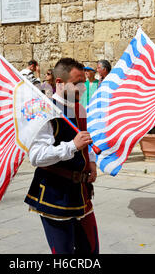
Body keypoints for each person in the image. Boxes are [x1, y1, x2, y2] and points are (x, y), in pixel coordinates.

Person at [24, 57, 99, 254]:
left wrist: (91, 162)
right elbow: (37, 157)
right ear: (59, 82)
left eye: (83, 82)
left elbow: (85, 141)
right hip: (55, 194)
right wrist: (72, 146)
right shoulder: (45, 111)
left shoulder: (79, 109)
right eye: (77, 83)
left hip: (81, 193)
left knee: (91, 252)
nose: (82, 88)